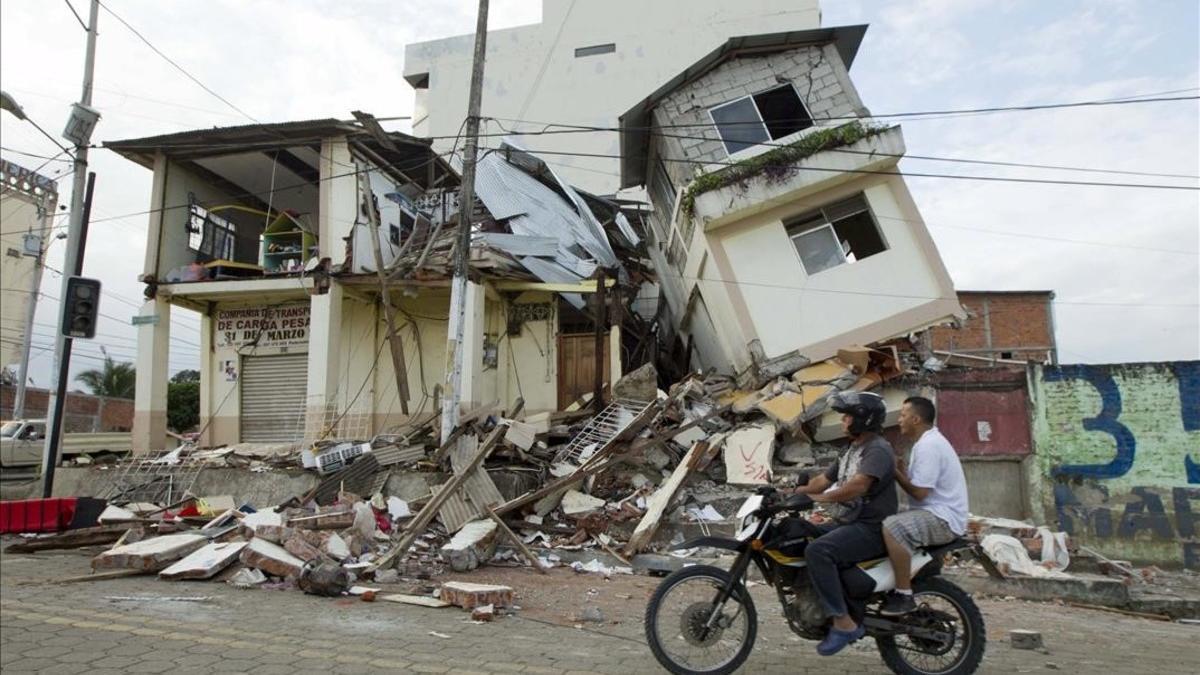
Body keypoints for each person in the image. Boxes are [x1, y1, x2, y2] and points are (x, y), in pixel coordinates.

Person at [795, 391, 898, 656]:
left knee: (818, 550)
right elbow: (822, 480)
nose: (842, 420)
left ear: (863, 419)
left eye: (847, 416)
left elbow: (858, 486)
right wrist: (792, 493)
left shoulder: (878, 449)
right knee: (801, 536)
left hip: (871, 528)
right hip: (848, 522)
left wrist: (821, 498)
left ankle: (844, 623)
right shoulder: (851, 449)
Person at [879, 396, 969, 616]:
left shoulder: (929, 445)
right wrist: (902, 471)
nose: (899, 419)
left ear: (916, 419)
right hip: (936, 512)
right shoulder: (926, 443)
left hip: (942, 518)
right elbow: (921, 486)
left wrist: (896, 473)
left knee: (893, 527)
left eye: (903, 415)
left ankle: (903, 594)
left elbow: (919, 492)